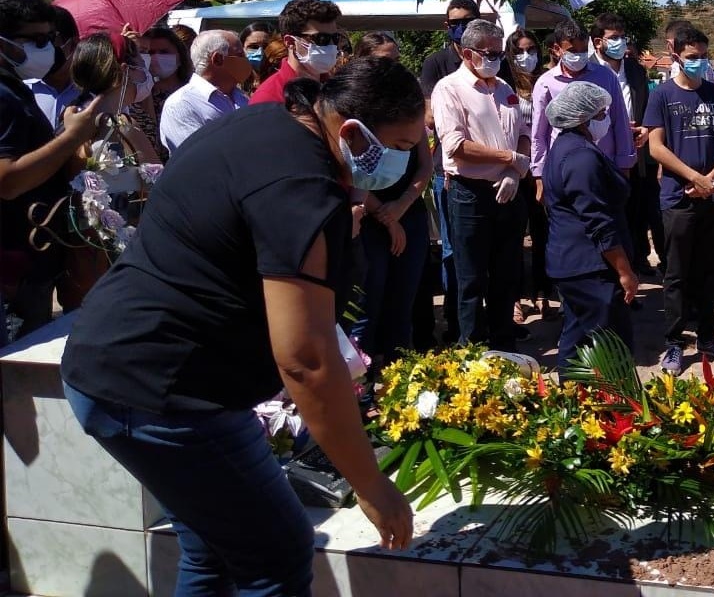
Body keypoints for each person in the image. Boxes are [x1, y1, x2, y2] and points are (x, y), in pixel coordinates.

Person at [61, 57, 420, 595]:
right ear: (351, 132)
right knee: (275, 555)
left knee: (214, 547)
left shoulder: (266, 121)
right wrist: (370, 484)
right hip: (164, 389)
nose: (407, 160)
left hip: (124, 363)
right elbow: (305, 358)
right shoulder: (302, 187)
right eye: (401, 146)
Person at [0, 0, 100, 342]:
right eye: (37, 39)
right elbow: (7, 180)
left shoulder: (15, 89)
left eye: (52, 38)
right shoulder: (4, 97)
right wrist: (71, 138)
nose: (49, 49)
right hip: (14, 267)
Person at [644, 25, 714, 375]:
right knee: (676, 274)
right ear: (676, 56)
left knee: (710, 269)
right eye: (692, 58)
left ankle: (708, 336)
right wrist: (693, 177)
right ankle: (674, 342)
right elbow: (656, 147)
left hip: (712, 196)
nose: (699, 63)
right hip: (678, 198)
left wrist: (711, 179)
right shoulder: (663, 95)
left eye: (703, 57)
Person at [431, 19, 530, 351]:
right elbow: (456, 146)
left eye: (500, 53)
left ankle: (503, 344)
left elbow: (524, 136)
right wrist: (509, 159)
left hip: (509, 190)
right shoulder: (448, 88)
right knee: (471, 278)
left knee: (506, 274)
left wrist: (515, 172)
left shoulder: (504, 87)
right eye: (489, 53)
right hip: (469, 194)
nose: (496, 59)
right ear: (468, 53)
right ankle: (472, 349)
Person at [58, 32, 162, 309]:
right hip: (112, 259)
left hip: (89, 259)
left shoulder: (72, 118)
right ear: (126, 71)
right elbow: (161, 187)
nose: (147, 72)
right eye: (142, 62)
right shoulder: (119, 127)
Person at [543, 82, 637, 373]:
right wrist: (625, 271)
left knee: (576, 340)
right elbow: (598, 220)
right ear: (584, 118)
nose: (606, 119)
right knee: (611, 348)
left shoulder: (567, 147)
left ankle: (569, 404)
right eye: (602, 113)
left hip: (572, 264)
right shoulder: (580, 157)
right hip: (589, 267)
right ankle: (617, 410)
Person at [351, 35, 433, 366]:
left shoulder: (409, 101)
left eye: (397, 60)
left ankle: (400, 378)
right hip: (369, 217)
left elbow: (425, 163)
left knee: (404, 301)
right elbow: (350, 170)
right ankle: (361, 382)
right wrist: (386, 216)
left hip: (407, 210)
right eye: (385, 60)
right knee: (367, 305)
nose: (394, 67)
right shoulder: (354, 107)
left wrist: (401, 206)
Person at [420, 0, 481, 343]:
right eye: (456, 21)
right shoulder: (436, 63)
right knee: (453, 249)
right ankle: (458, 324)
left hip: (490, 168)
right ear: (447, 26)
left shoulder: (491, 59)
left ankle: (480, 319)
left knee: (487, 249)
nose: (462, 26)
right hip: (451, 169)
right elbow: (432, 118)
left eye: (468, 19)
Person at [531, 19, 636, 205]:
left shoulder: (605, 76)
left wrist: (625, 165)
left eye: (583, 51)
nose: (579, 56)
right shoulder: (546, 83)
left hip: (604, 166)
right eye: (572, 51)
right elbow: (539, 133)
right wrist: (539, 175)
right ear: (557, 49)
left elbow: (620, 120)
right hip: (563, 169)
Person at [589, 13, 655, 278]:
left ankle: (632, 265)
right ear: (598, 42)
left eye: (622, 37)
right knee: (605, 215)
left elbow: (647, 107)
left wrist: (645, 130)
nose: (620, 42)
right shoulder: (588, 69)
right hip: (599, 153)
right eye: (613, 38)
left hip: (633, 153)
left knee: (633, 213)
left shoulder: (636, 70)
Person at [499, 28, 557, 322]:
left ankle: (544, 293)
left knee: (543, 234)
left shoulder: (546, 82)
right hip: (514, 169)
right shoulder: (503, 85)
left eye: (532, 49)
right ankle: (514, 298)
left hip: (544, 169)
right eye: (520, 51)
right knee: (512, 237)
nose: (527, 56)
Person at [159, 30, 250, 154]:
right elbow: (199, 158)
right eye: (240, 55)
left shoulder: (242, 98)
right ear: (218, 59)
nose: (247, 60)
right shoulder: (181, 104)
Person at [250, 0, 342, 105]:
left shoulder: (336, 89)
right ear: (290, 42)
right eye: (321, 39)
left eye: (335, 38)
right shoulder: (268, 97)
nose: (331, 46)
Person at [133, 26, 195, 162]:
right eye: (150, 52)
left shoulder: (194, 93)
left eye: (164, 52)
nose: (156, 57)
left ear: (180, 56)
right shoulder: (137, 98)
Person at [24, 5, 81, 130]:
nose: (40, 50)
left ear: (74, 44)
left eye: (48, 40)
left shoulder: (97, 93)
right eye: (34, 42)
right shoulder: (18, 91)